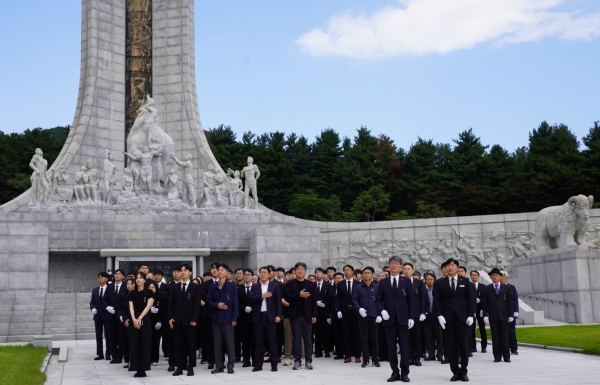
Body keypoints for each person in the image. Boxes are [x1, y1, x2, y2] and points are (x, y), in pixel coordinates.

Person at [433, 258, 475, 382]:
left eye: (452, 265)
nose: (450, 267)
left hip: (462, 318)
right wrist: (439, 315)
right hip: (448, 319)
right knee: (450, 346)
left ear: (457, 267)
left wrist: (471, 315)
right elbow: (437, 301)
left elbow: (470, 300)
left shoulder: (466, 281)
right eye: (448, 266)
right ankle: (455, 371)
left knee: (463, 345)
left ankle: (464, 371)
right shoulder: (441, 283)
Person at [376, 256, 414, 383]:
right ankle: (394, 372)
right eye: (392, 263)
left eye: (396, 263)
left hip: (403, 318)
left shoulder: (406, 281)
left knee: (404, 347)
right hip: (389, 319)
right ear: (388, 266)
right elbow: (378, 299)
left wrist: (411, 317)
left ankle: (405, 373)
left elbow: (411, 301)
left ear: (401, 266)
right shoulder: (384, 282)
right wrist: (382, 310)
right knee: (391, 347)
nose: (394, 265)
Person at [167, 263, 201, 376]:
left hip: (190, 321)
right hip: (177, 321)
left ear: (190, 273)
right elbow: (170, 304)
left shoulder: (195, 287)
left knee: (191, 345)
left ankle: (191, 367)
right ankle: (179, 367)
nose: (183, 272)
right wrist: (170, 317)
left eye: (185, 270)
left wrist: (195, 319)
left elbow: (196, 305)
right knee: (177, 345)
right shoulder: (174, 287)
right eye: (181, 270)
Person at [247, 266, 283, 372]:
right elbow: (250, 298)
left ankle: (274, 364)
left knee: (272, 341)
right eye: (261, 272)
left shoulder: (275, 286)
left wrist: (278, 315)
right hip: (259, 317)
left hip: (270, 317)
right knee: (258, 342)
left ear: (269, 274)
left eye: (265, 272)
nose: (262, 274)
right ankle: (258, 365)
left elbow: (278, 302)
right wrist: (261, 296)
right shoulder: (255, 286)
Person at [284, 262, 318, 370]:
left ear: (305, 271)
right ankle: (297, 361)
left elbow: (314, 301)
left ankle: (308, 361)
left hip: (307, 316)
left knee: (308, 340)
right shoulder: (290, 284)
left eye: (302, 269)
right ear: (294, 271)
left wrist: (314, 315)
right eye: (298, 269)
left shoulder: (311, 284)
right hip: (294, 316)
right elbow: (287, 297)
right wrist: (299, 295)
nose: (300, 271)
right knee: (296, 339)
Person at [207, 263, 239, 374]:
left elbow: (235, 303)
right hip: (216, 319)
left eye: (221, 270)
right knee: (217, 344)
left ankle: (230, 365)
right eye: (218, 270)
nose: (219, 272)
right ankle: (219, 366)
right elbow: (208, 301)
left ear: (226, 273)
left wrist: (234, 318)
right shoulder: (212, 286)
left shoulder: (232, 286)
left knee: (230, 344)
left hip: (228, 319)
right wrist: (217, 305)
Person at [482, 268, 514, 363]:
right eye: (493, 275)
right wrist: (485, 315)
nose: (495, 277)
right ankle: (497, 356)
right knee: (495, 337)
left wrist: (511, 315)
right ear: (490, 277)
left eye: (497, 275)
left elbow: (510, 302)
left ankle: (506, 355)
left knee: (505, 336)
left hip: (504, 315)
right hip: (493, 316)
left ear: (501, 277)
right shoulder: (487, 289)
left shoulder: (506, 288)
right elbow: (485, 303)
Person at [352, 266, 380, 367]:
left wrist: (380, 314)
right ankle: (365, 360)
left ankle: (375, 359)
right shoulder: (358, 287)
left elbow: (381, 301)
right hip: (362, 316)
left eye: (368, 273)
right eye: (364, 273)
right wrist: (359, 308)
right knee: (364, 338)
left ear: (372, 274)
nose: (366, 274)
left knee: (374, 338)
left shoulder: (377, 287)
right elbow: (354, 300)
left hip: (374, 315)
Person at [128, 272, 154, 377]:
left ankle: (143, 369)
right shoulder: (131, 294)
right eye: (137, 278)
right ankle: (136, 368)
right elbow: (131, 307)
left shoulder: (149, 293)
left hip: (145, 319)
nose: (138, 280)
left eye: (141, 278)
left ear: (144, 280)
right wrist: (134, 319)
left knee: (144, 344)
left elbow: (148, 306)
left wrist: (140, 318)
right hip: (134, 320)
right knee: (134, 344)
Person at [336, 264, 362, 363]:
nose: (346, 272)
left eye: (348, 270)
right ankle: (347, 355)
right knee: (346, 334)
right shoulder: (341, 284)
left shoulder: (358, 283)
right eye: (345, 270)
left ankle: (357, 355)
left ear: (352, 271)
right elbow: (338, 298)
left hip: (355, 312)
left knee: (356, 334)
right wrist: (338, 310)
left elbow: (360, 298)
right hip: (345, 312)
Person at [403, 262, 427, 367]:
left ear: (412, 271)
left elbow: (422, 299)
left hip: (417, 314)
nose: (406, 270)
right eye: (405, 269)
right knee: (407, 338)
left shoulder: (419, 283)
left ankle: (417, 357)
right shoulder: (401, 282)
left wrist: (422, 312)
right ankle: (409, 357)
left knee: (416, 337)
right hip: (405, 313)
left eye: (408, 269)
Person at [90, 271, 116, 361]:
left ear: (106, 279)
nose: (100, 279)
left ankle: (108, 353)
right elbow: (92, 302)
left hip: (107, 315)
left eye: (102, 277)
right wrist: (92, 308)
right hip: (98, 315)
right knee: (98, 335)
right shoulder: (95, 290)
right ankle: (100, 353)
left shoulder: (110, 289)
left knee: (108, 335)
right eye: (99, 277)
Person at [422, 273, 444, 362]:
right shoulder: (423, 290)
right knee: (428, 337)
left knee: (439, 336)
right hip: (427, 316)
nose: (429, 281)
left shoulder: (438, 290)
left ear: (434, 280)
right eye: (427, 279)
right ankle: (431, 354)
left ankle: (440, 354)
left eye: (431, 279)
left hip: (437, 316)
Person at [237, 268, 255, 367]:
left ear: (252, 276)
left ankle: (255, 360)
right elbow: (237, 302)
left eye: (249, 274)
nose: (247, 276)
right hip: (243, 318)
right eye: (245, 274)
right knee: (245, 341)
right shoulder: (239, 289)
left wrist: (252, 308)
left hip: (254, 318)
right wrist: (244, 308)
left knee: (255, 340)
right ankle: (246, 359)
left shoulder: (256, 287)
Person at [109, 269, 127, 364]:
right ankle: (114, 356)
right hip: (111, 316)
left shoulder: (125, 286)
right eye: (116, 274)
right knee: (112, 337)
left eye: (119, 274)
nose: (117, 276)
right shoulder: (110, 286)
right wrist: (107, 307)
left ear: (123, 276)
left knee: (120, 337)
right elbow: (104, 299)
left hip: (120, 315)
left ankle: (120, 356)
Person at [314, 267, 332, 358]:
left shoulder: (328, 285)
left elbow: (330, 298)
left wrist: (325, 305)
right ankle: (318, 351)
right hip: (315, 312)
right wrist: (315, 303)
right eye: (316, 273)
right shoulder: (312, 285)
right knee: (317, 333)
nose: (318, 274)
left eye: (320, 272)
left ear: (323, 274)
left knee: (326, 332)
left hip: (325, 312)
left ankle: (327, 350)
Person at [326, 272, 345, 360]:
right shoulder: (331, 290)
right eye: (336, 278)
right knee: (337, 335)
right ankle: (339, 352)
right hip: (334, 315)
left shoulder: (346, 288)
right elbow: (328, 304)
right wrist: (328, 316)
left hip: (344, 315)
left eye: (340, 278)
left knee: (345, 335)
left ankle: (347, 351)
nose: (338, 279)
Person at [501, 271, 519, 355]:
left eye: (503, 276)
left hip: (510, 312)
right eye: (500, 276)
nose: (502, 278)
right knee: (501, 331)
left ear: (507, 278)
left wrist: (516, 311)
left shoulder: (512, 287)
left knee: (511, 331)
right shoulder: (497, 287)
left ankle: (513, 348)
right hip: (500, 312)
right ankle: (504, 348)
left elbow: (515, 300)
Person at [119, 278, 135, 368]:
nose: (129, 285)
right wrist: (124, 319)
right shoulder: (123, 296)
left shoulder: (136, 295)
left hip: (134, 320)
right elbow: (121, 309)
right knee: (125, 341)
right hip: (125, 322)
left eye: (131, 284)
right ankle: (126, 360)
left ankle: (133, 359)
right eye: (128, 284)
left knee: (133, 342)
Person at [470, 270, 487, 353]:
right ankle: (473, 346)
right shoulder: (468, 286)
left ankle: (484, 346)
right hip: (471, 310)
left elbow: (486, 299)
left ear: (478, 276)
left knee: (482, 328)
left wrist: (483, 309)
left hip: (480, 310)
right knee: (471, 328)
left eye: (475, 275)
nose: (474, 276)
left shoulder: (483, 287)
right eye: (472, 275)